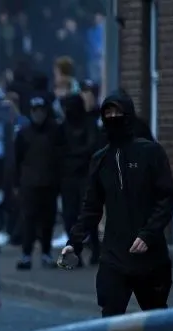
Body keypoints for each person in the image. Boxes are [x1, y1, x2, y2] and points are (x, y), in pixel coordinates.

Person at [61, 92, 173, 317]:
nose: (113, 117)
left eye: (118, 112)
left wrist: (148, 234)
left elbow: (166, 199)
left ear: (129, 114)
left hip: (149, 255)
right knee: (110, 318)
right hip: (114, 254)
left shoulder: (150, 152)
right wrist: (74, 242)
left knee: (155, 318)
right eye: (108, 113)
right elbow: (91, 207)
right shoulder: (100, 160)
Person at [56, 94, 101, 266]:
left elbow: (92, 147)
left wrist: (73, 157)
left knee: (87, 214)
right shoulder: (63, 127)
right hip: (69, 176)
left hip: (85, 175)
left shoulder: (88, 124)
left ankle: (95, 248)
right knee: (70, 216)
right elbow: (58, 150)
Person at [15, 96, 59, 270]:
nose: (38, 114)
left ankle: (46, 253)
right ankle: (26, 254)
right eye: (35, 111)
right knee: (29, 221)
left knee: (48, 221)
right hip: (29, 184)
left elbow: (59, 156)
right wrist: (16, 183)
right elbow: (17, 159)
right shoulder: (23, 133)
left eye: (41, 111)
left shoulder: (54, 132)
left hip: (49, 182)